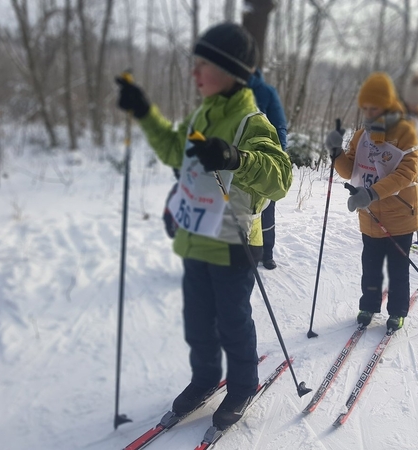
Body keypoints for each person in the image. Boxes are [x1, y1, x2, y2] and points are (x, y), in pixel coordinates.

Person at [115, 23, 292, 429]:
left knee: (232, 321)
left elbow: (280, 178)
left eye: (204, 65)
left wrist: (235, 158)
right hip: (197, 237)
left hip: (234, 239)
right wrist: (144, 111)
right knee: (198, 321)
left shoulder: (251, 120)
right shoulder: (202, 113)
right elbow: (173, 150)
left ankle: (244, 384)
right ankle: (205, 379)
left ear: (230, 71)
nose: (195, 74)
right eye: (194, 64)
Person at [325, 72, 418, 331]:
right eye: (364, 108)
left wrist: (372, 193)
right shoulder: (361, 135)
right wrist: (336, 152)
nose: (368, 112)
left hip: (400, 215)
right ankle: (369, 305)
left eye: (374, 107)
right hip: (368, 215)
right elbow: (350, 171)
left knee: (398, 268)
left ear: (388, 104)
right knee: (371, 266)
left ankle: (398, 311)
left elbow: (406, 174)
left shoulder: (405, 132)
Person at [248, 69, 288, 270]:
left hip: (266, 160)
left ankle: (267, 253)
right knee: (242, 207)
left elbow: (280, 126)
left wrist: (279, 157)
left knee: (266, 210)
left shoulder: (266, 91)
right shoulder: (228, 90)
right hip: (239, 161)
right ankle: (245, 251)